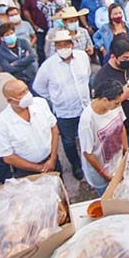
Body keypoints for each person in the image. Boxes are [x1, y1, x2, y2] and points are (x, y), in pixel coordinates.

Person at [32, 30, 91, 180]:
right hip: (65, 112)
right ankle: (76, 165)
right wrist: (55, 98)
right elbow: (38, 87)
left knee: (87, 136)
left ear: (72, 44)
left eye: (66, 44)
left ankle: (90, 162)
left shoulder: (82, 57)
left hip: (84, 106)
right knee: (69, 141)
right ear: (55, 47)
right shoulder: (48, 66)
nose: (63, 48)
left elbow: (87, 75)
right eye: (59, 45)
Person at [0, 80, 60, 180]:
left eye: (26, 90)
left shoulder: (40, 103)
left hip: (52, 160)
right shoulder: (0, 124)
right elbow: (8, 157)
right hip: (27, 171)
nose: (27, 95)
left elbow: (54, 129)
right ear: (10, 100)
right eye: (21, 94)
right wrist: (39, 168)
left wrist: (53, 159)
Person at [79, 79, 128, 196]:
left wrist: (126, 150)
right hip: (100, 170)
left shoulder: (114, 106)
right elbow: (87, 153)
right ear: (105, 100)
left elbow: (121, 125)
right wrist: (104, 174)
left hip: (116, 162)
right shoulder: (87, 120)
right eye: (116, 103)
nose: (119, 106)